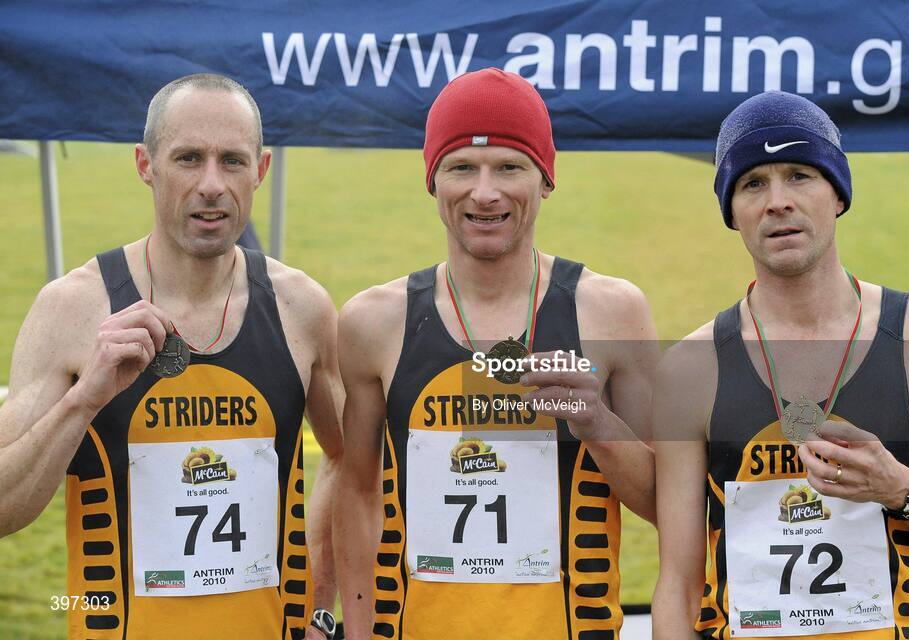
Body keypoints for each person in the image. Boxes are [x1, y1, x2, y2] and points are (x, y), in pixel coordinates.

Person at [652, 91, 909, 639]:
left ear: (838, 194)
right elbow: (678, 587)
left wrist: (901, 489)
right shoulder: (689, 369)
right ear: (732, 211)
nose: (777, 201)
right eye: (753, 183)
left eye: (800, 174)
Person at [0, 74, 344, 640]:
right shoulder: (73, 308)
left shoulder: (300, 307)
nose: (211, 184)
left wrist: (318, 607)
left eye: (232, 161)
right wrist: (84, 399)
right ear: (145, 164)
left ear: (260, 171)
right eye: (188, 158)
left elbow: (348, 460)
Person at [336, 67, 659, 640]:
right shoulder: (373, 321)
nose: (485, 193)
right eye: (462, 167)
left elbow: (665, 502)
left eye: (509, 167)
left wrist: (598, 423)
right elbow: (359, 492)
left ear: (546, 179)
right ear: (433, 180)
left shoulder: (611, 312)